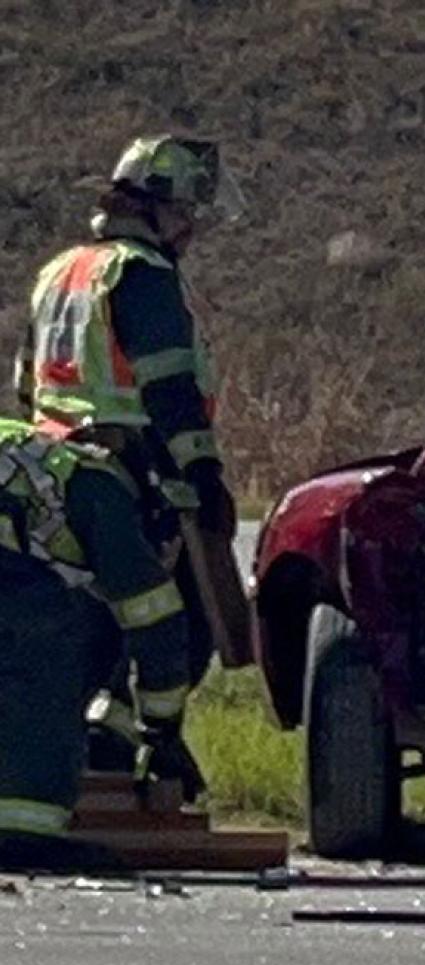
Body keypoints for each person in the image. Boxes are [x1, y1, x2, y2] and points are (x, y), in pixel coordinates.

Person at [14, 135, 245, 769]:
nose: (191, 228)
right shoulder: (142, 274)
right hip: (126, 466)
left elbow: (24, 383)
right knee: (179, 624)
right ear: (151, 207)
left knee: (99, 620)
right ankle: (132, 743)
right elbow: (169, 388)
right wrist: (201, 469)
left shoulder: (59, 271)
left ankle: (104, 737)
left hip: (49, 468)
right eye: (185, 212)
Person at [0, 418, 198, 870]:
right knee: (43, 651)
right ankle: (22, 832)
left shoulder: (35, 456)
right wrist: (163, 732)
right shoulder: (103, 490)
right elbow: (154, 621)